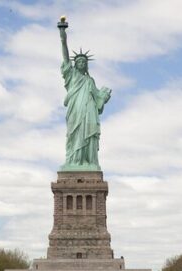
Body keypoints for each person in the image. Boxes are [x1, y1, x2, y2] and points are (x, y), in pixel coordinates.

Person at [58, 18, 112, 170]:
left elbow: (98, 101)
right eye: (79, 62)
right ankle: (74, 161)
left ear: (86, 65)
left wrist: (104, 96)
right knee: (74, 135)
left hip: (89, 112)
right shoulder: (72, 75)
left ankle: (88, 162)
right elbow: (65, 54)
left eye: (84, 62)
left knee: (88, 135)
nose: (81, 63)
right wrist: (63, 35)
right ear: (75, 64)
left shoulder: (90, 81)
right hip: (75, 110)